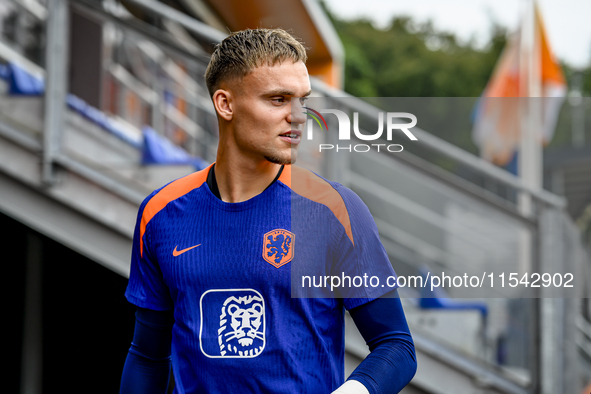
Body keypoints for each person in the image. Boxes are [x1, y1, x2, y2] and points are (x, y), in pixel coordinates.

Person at [120, 28, 417, 394]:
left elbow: (396, 347)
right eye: (278, 99)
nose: (298, 117)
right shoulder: (160, 213)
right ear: (225, 104)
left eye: (302, 101)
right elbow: (147, 356)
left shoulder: (333, 209)